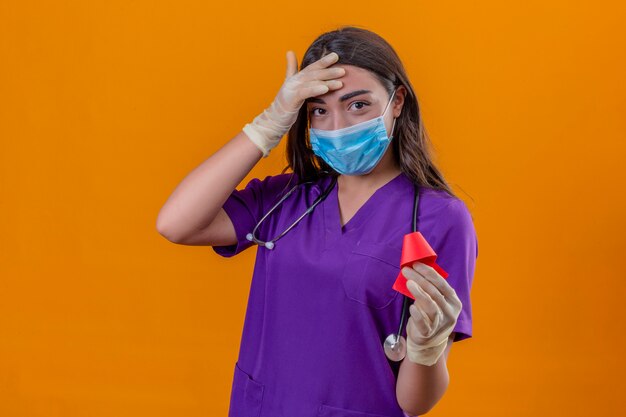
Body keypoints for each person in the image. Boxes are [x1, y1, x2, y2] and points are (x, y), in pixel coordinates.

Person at [157, 26, 478, 417]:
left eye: (357, 104)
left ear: (398, 102)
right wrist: (267, 124)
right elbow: (176, 223)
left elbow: (414, 402)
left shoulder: (439, 218)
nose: (338, 127)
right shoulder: (289, 197)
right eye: (319, 111)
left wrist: (427, 348)